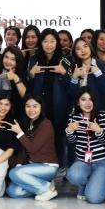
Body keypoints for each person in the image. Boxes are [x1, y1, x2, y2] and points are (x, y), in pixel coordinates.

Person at [27, 29, 71, 165]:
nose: (49, 45)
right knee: (39, 135)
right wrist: (31, 74)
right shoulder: (34, 59)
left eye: (52, 41)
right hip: (39, 106)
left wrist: (64, 73)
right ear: (41, 43)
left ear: (57, 43)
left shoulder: (65, 59)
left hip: (58, 106)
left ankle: (60, 165)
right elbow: (28, 86)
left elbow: (71, 85)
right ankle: (39, 164)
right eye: (45, 41)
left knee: (58, 136)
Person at [6, 95, 59, 201]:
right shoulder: (29, 123)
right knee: (12, 191)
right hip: (32, 167)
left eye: (35, 106)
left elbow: (32, 148)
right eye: (28, 106)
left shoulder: (46, 124)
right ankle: (42, 186)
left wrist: (19, 132)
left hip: (48, 167)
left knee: (14, 173)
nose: (31, 110)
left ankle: (48, 188)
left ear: (41, 107)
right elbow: (23, 149)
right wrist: (19, 165)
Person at [65, 88, 105, 204]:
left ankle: (99, 182)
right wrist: (70, 131)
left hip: (101, 163)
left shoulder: (103, 116)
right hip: (82, 161)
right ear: (78, 102)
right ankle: (85, 185)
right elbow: (72, 141)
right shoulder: (73, 117)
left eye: (90, 99)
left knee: (94, 198)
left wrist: (98, 130)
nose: (87, 103)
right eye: (83, 99)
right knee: (73, 175)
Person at [68, 37, 105, 113]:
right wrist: (74, 77)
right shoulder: (75, 67)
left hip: (98, 111)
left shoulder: (101, 65)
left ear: (90, 47)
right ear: (75, 53)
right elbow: (73, 95)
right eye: (78, 49)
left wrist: (98, 73)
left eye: (85, 46)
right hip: (80, 112)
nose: (83, 50)